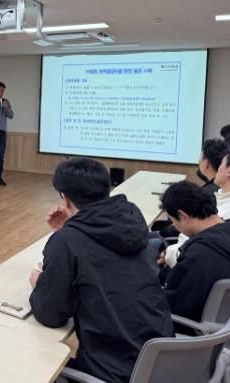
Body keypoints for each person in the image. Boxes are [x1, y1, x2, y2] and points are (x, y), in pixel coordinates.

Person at [29, 158, 173, 383]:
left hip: (114, 370)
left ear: (64, 198)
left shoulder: (67, 241)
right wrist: (71, 226)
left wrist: (40, 283)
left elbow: (51, 315)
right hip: (164, 358)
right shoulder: (131, 218)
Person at [161, 181, 230, 323]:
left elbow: (176, 306)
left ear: (183, 215)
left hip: (206, 329)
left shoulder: (199, 253)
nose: (174, 225)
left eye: (172, 220)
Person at [165, 144, 230, 268]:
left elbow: (191, 256)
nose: (218, 168)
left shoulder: (228, 216)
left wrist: (168, 253)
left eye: (221, 164)